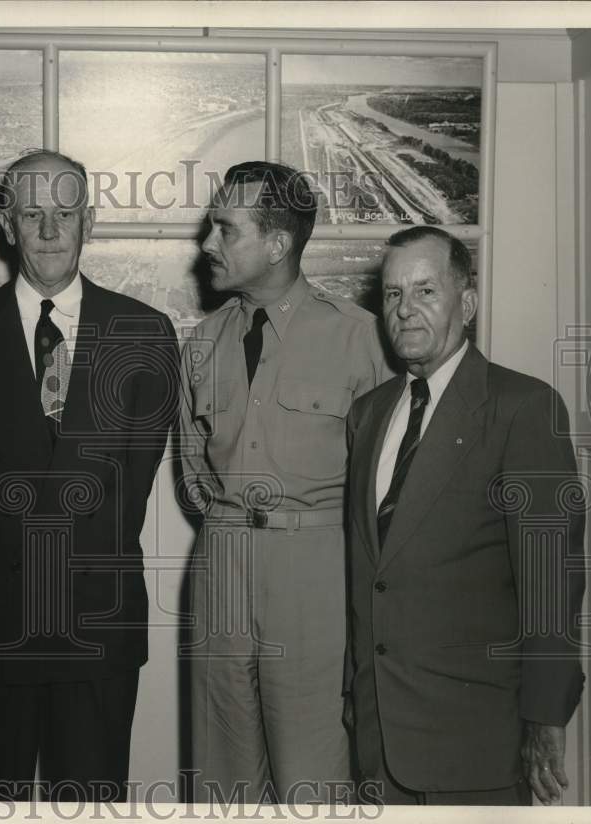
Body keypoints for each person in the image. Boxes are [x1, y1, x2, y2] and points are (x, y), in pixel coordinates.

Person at [0, 149, 179, 802]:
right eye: (32, 214)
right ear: (7, 224)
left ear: (89, 220)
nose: (50, 230)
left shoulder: (145, 334)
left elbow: (131, 492)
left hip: (96, 630)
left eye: (65, 214)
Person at [344, 225, 586, 805]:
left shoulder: (522, 408)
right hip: (379, 742)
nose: (405, 310)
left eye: (425, 291)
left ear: (466, 303)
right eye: (393, 293)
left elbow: (552, 583)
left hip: (476, 741)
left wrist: (544, 718)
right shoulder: (368, 415)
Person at [178, 161, 391, 804]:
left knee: (314, 778)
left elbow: (385, 491)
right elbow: (194, 471)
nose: (207, 245)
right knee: (221, 780)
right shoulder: (203, 343)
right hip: (220, 569)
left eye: (224, 229)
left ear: (277, 244)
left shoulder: (361, 340)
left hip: (316, 580)